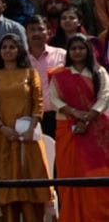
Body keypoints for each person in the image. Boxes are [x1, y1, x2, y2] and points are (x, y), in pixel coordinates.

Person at [0, 34, 54, 222]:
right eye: (4, 47)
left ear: (20, 50)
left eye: (12, 47)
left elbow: (38, 103)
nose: (7, 50)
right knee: (7, 187)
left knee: (32, 184)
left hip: (28, 136)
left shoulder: (31, 74)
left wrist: (31, 127)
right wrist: (3, 128)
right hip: (3, 136)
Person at [47, 34, 109, 222]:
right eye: (73, 49)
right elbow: (54, 99)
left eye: (81, 48)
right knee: (70, 174)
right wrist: (76, 114)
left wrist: (88, 117)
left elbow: (105, 96)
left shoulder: (99, 73)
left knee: (99, 175)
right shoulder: (60, 75)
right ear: (69, 52)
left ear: (88, 51)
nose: (77, 52)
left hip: (97, 129)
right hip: (68, 129)